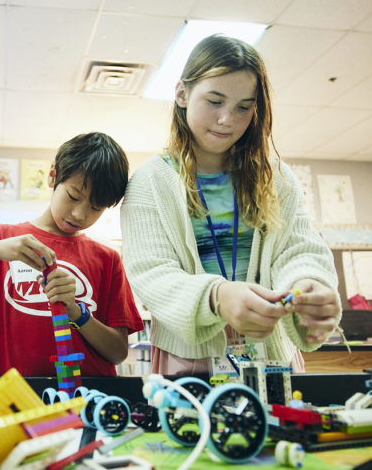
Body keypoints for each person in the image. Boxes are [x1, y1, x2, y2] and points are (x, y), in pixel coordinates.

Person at [120, 35, 341, 375]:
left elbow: (299, 248)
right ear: (182, 94)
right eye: (215, 100)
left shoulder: (276, 178)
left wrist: (308, 283)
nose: (227, 119)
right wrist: (217, 297)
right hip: (189, 361)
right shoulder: (150, 181)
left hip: (272, 356)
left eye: (243, 107)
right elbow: (151, 274)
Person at [0, 132, 143, 376]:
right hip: (4, 400)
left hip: (81, 402)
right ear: (52, 176)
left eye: (95, 208)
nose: (80, 214)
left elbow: (118, 352)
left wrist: (77, 312)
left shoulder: (107, 259)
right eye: (73, 196)